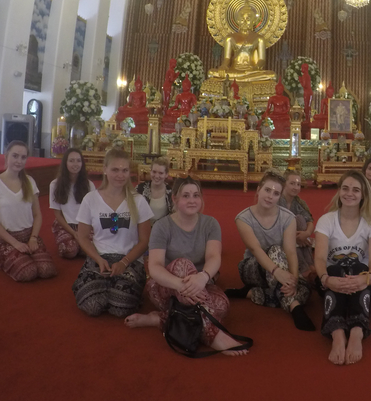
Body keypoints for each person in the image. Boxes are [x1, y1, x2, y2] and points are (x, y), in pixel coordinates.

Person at [124, 177, 249, 356]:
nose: (192, 200)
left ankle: (159, 319)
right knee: (183, 264)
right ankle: (213, 336)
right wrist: (182, 286)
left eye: (196, 195)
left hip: (200, 285)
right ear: (174, 199)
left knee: (222, 305)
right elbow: (155, 267)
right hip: (166, 287)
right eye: (186, 195)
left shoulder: (210, 224)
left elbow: (214, 257)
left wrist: (202, 277)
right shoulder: (162, 226)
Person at [229, 171, 314, 331]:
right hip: (253, 268)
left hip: (281, 269)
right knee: (275, 250)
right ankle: (294, 306)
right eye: (267, 190)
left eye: (276, 193)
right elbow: (256, 249)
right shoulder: (243, 218)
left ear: (280, 196)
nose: (270, 196)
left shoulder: (288, 217)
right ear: (259, 190)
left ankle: (253, 294)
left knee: (305, 290)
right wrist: (277, 272)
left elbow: (290, 251)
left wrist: (294, 280)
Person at [73, 148, 152, 317]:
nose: (120, 175)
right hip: (100, 258)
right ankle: (105, 285)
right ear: (105, 170)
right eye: (115, 170)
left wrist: (124, 262)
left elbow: (144, 240)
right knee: (92, 306)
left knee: (120, 307)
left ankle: (114, 287)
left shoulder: (138, 200)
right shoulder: (91, 199)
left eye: (124, 170)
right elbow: (83, 237)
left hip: (129, 259)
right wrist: (98, 259)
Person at [314, 171, 371, 365]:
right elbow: (319, 258)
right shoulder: (326, 220)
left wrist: (367, 277)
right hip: (329, 280)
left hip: (364, 280)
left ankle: (357, 331)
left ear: (363, 195)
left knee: (358, 266)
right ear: (339, 191)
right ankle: (337, 334)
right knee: (336, 269)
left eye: (355, 190)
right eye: (345, 188)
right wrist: (326, 279)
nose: (349, 193)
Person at [0, 140, 57, 282]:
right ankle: (6, 260)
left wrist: (33, 238)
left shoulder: (29, 181)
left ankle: (26, 255)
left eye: (23, 157)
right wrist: (15, 244)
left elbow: (37, 215)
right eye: (15, 156)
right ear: (6, 156)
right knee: (28, 272)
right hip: (7, 240)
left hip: (29, 236)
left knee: (47, 270)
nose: (19, 161)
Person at [49, 148, 91, 259]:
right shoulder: (55, 185)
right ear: (65, 163)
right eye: (71, 161)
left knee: (90, 250)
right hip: (65, 225)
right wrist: (73, 233)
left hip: (84, 225)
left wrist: (82, 232)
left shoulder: (89, 185)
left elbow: (92, 213)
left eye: (78, 160)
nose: (75, 164)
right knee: (70, 251)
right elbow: (57, 214)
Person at [278, 168, 315, 281]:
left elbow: (310, 221)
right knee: (296, 223)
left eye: (298, 184)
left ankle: (309, 265)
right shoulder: (277, 200)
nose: (295, 187)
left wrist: (306, 233)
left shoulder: (299, 203)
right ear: (284, 183)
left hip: (298, 238)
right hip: (279, 236)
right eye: (292, 183)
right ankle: (305, 268)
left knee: (300, 219)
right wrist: (293, 236)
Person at [135, 157, 174, 224]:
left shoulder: (171, 192)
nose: (156, 176)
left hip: (162, 229)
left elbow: (174, 215)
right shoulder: (140, 189)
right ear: (150, 172)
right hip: (142, 227)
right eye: (154, 172)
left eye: (161, 173)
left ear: (166, 174)